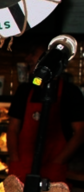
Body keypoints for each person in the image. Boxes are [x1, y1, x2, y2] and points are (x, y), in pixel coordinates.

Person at [6, 41, 84, 184]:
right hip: (22, 170)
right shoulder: (24, 90)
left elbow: (81, 132)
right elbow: (12, 129)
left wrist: (58, 162)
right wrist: (15, 161)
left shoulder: (70, 92)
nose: (27, 58)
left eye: (33, 54)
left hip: (53, 172)